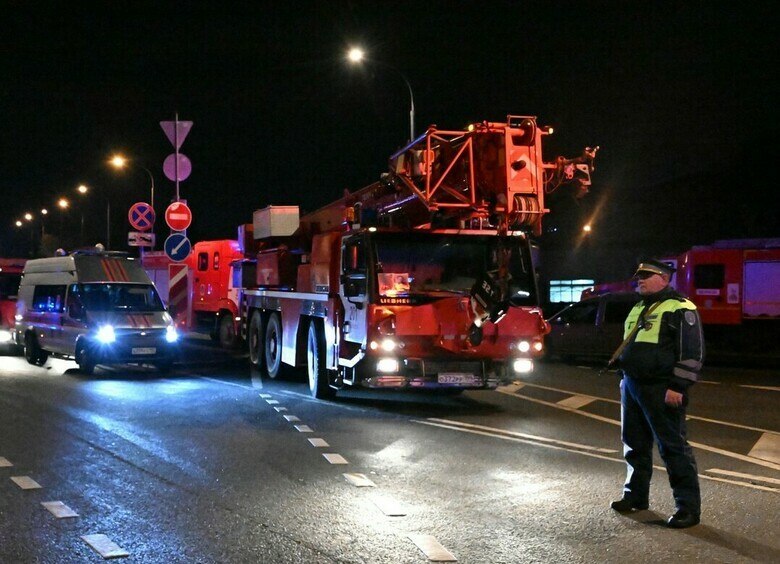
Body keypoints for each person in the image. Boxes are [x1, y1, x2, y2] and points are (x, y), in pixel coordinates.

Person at [611, 258, 705, 529]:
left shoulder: (681, 307)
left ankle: (687, 509)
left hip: (661, 387)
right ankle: (635, 496)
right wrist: (624, 377)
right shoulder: (639, 307)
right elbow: (631, 346)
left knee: (673, 448)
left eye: (646, 276)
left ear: (664, 279)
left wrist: (678, 386)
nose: (639, 280)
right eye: (638, 276)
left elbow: (692, 352)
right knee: (634, 444)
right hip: (632, 385)